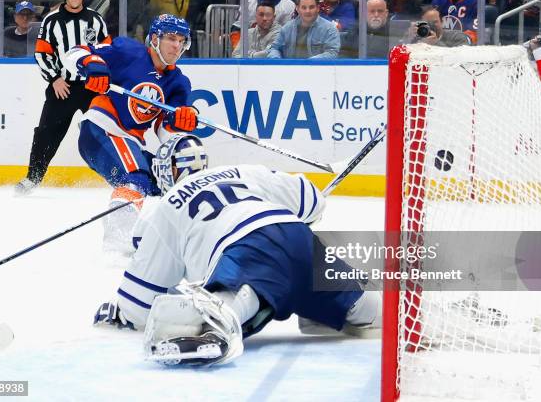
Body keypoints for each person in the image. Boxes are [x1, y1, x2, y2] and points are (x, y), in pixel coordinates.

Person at [94, 133, 380, 366]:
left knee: (237, 296)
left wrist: (117, 313)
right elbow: (312, 203)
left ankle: (219, 320)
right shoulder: (241, 171)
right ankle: (383, 311)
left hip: (245, 248)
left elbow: (139, 305)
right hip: (297, 236)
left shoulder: (165, 208)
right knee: (367, 311)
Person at [61, 14, 199, 254]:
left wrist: (181, 120)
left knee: (167, 179)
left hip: (130, 142)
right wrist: (93, 65)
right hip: (102, 129)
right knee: (135, 177)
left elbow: (166, 134)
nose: (177, 46)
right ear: (155, 38)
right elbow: (73, 53)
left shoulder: (178, 82)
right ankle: (117, 241)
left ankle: (156, 236)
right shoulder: (127, 52)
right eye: (171, 39)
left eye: (181, 41)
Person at [15, 0, 110, 195]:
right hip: (63, 87)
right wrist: (55, 78)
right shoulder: (51, 21)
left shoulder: (96, 19)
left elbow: (106, 51)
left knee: (107, 131)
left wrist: (101, 76)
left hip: (92, 88)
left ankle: (118, 175)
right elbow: (42, 53)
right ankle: (33, 177)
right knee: (46, 133)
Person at [267, 0, 340, 58]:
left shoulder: (330, 29)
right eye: (304, 7)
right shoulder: (287, 28)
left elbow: (332, 53)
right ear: (297, 9)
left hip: (318, 71)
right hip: (290, 71)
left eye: (311, 7)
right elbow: (274, 48)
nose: (307, 11)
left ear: (318, 8)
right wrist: (277, 61)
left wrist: (308, 64)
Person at [405, 7, 471, 47]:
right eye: (427, 23)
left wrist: (436, 43)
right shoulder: (417, 36)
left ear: (442, 22)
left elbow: (460, 59)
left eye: (434, 22)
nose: (431, 25)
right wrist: (408, 39)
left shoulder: (457, 36)